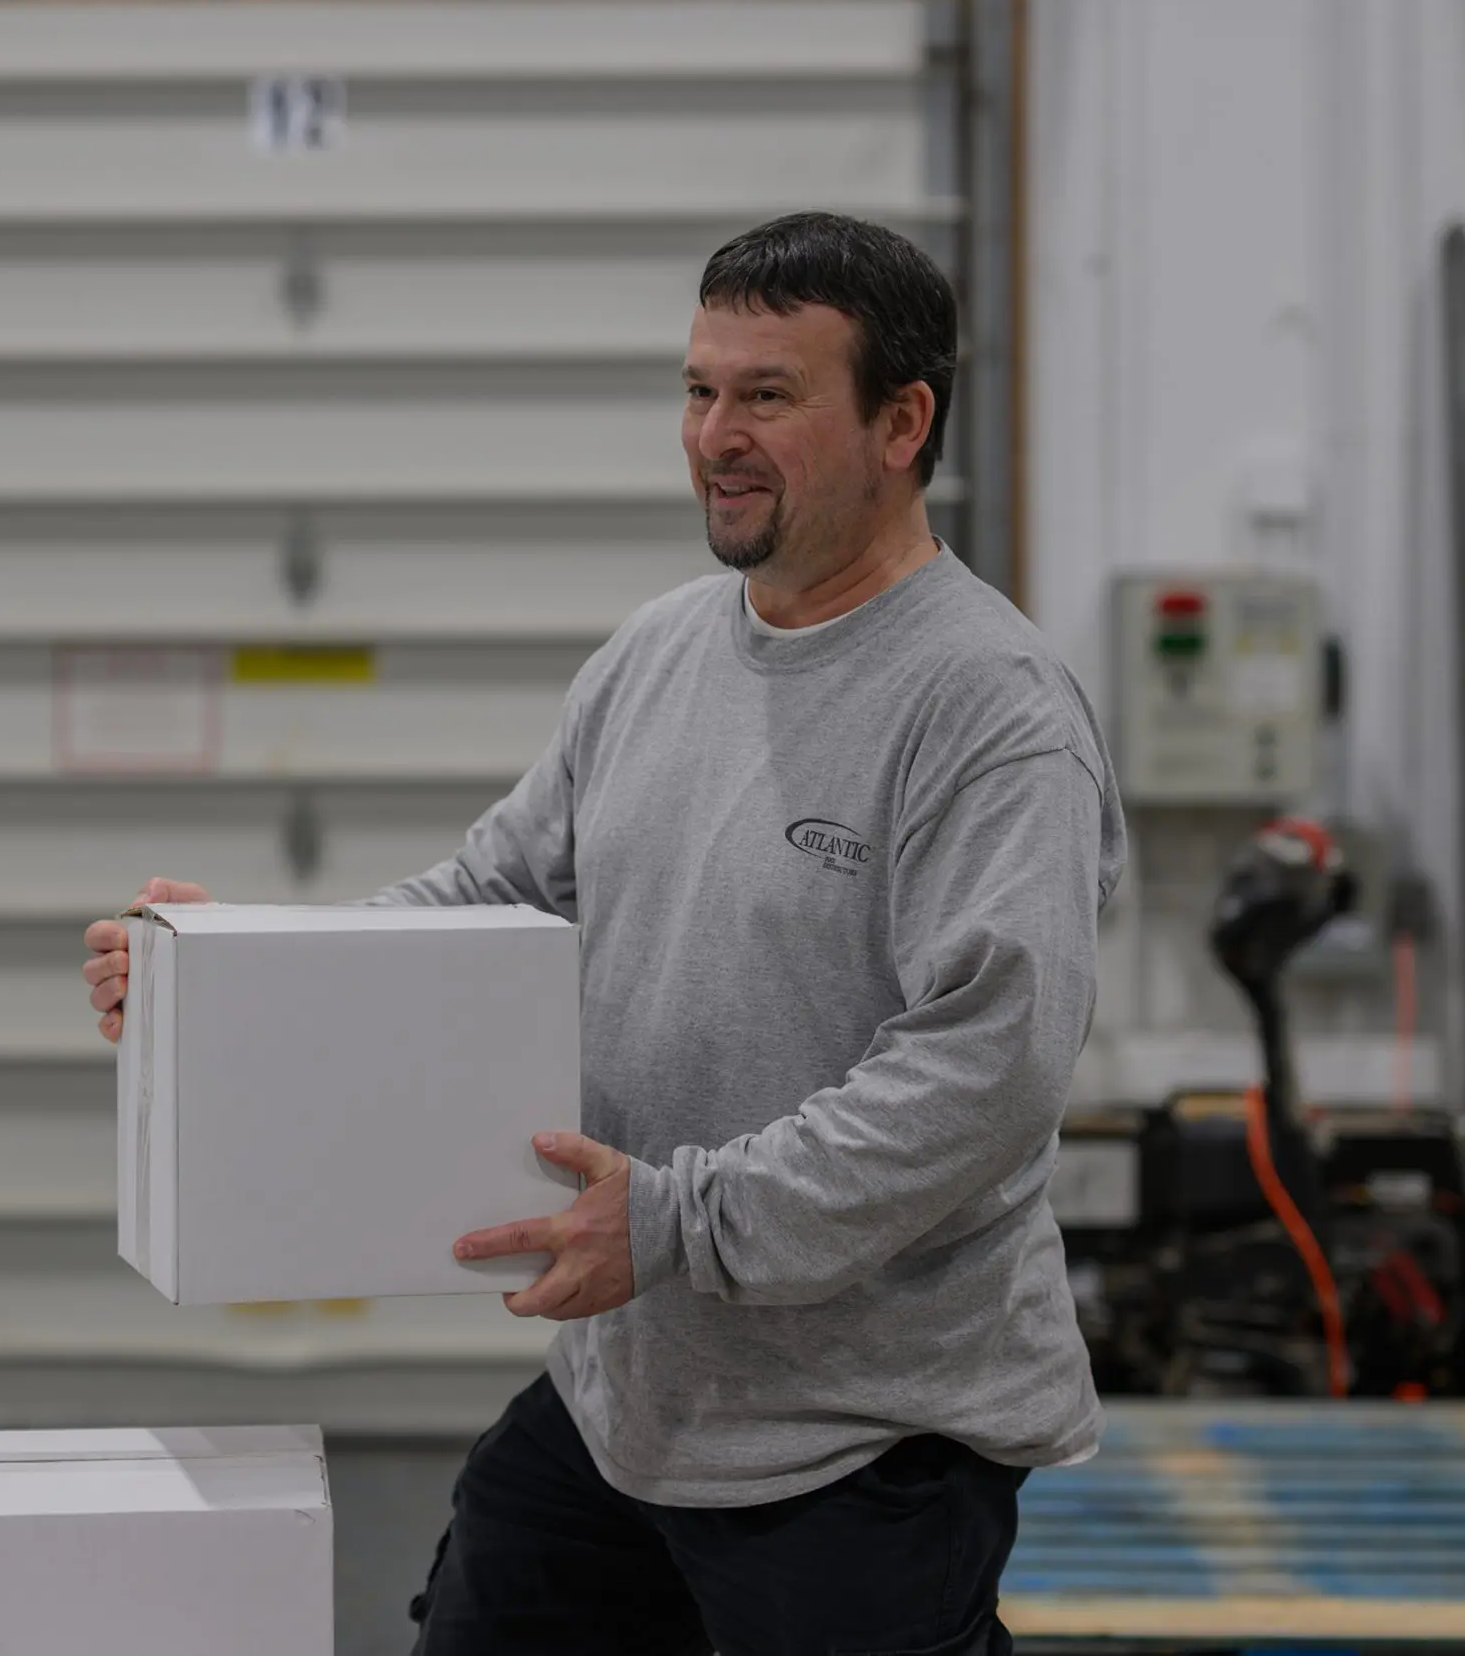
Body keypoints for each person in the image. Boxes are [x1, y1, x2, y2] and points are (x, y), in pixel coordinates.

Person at [80, 211, 1124, 1656]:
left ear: (903, 422)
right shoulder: (658, 654)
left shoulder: (988, 710)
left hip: (861, 1440)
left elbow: (981, 1077)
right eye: (699, 391)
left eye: (768, 395)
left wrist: (676, 1218)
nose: (717, 435)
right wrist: (242, 973)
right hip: (627, 1399)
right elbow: (496, 894)